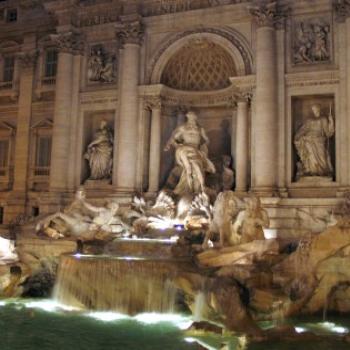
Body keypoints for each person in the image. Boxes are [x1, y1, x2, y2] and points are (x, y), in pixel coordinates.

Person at [164, 111, 215, 195]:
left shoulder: (200, 129)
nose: (192, 118)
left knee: (197, 166)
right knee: (190, 167)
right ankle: (192, 189)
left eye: (193, 117)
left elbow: (206, 140)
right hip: (185, 149)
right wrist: (171, 145)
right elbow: (173, 138)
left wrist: (204, 146)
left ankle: (198, 189)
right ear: (187, 117)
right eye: (190, 117)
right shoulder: (183, 128)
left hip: (196, 151)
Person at [294, 103, 334, 179]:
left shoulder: (323, 119)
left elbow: (328, 133)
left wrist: (331, 122)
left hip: (319, 140)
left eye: (316, 109)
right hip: (309, 140)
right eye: (313, 109)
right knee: (310, 153)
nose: (314, 110)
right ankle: (311, 170)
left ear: (319, 109)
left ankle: (322, 172)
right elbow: (303, 130)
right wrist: (298, 136)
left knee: (322, 157)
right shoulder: (309, 120)